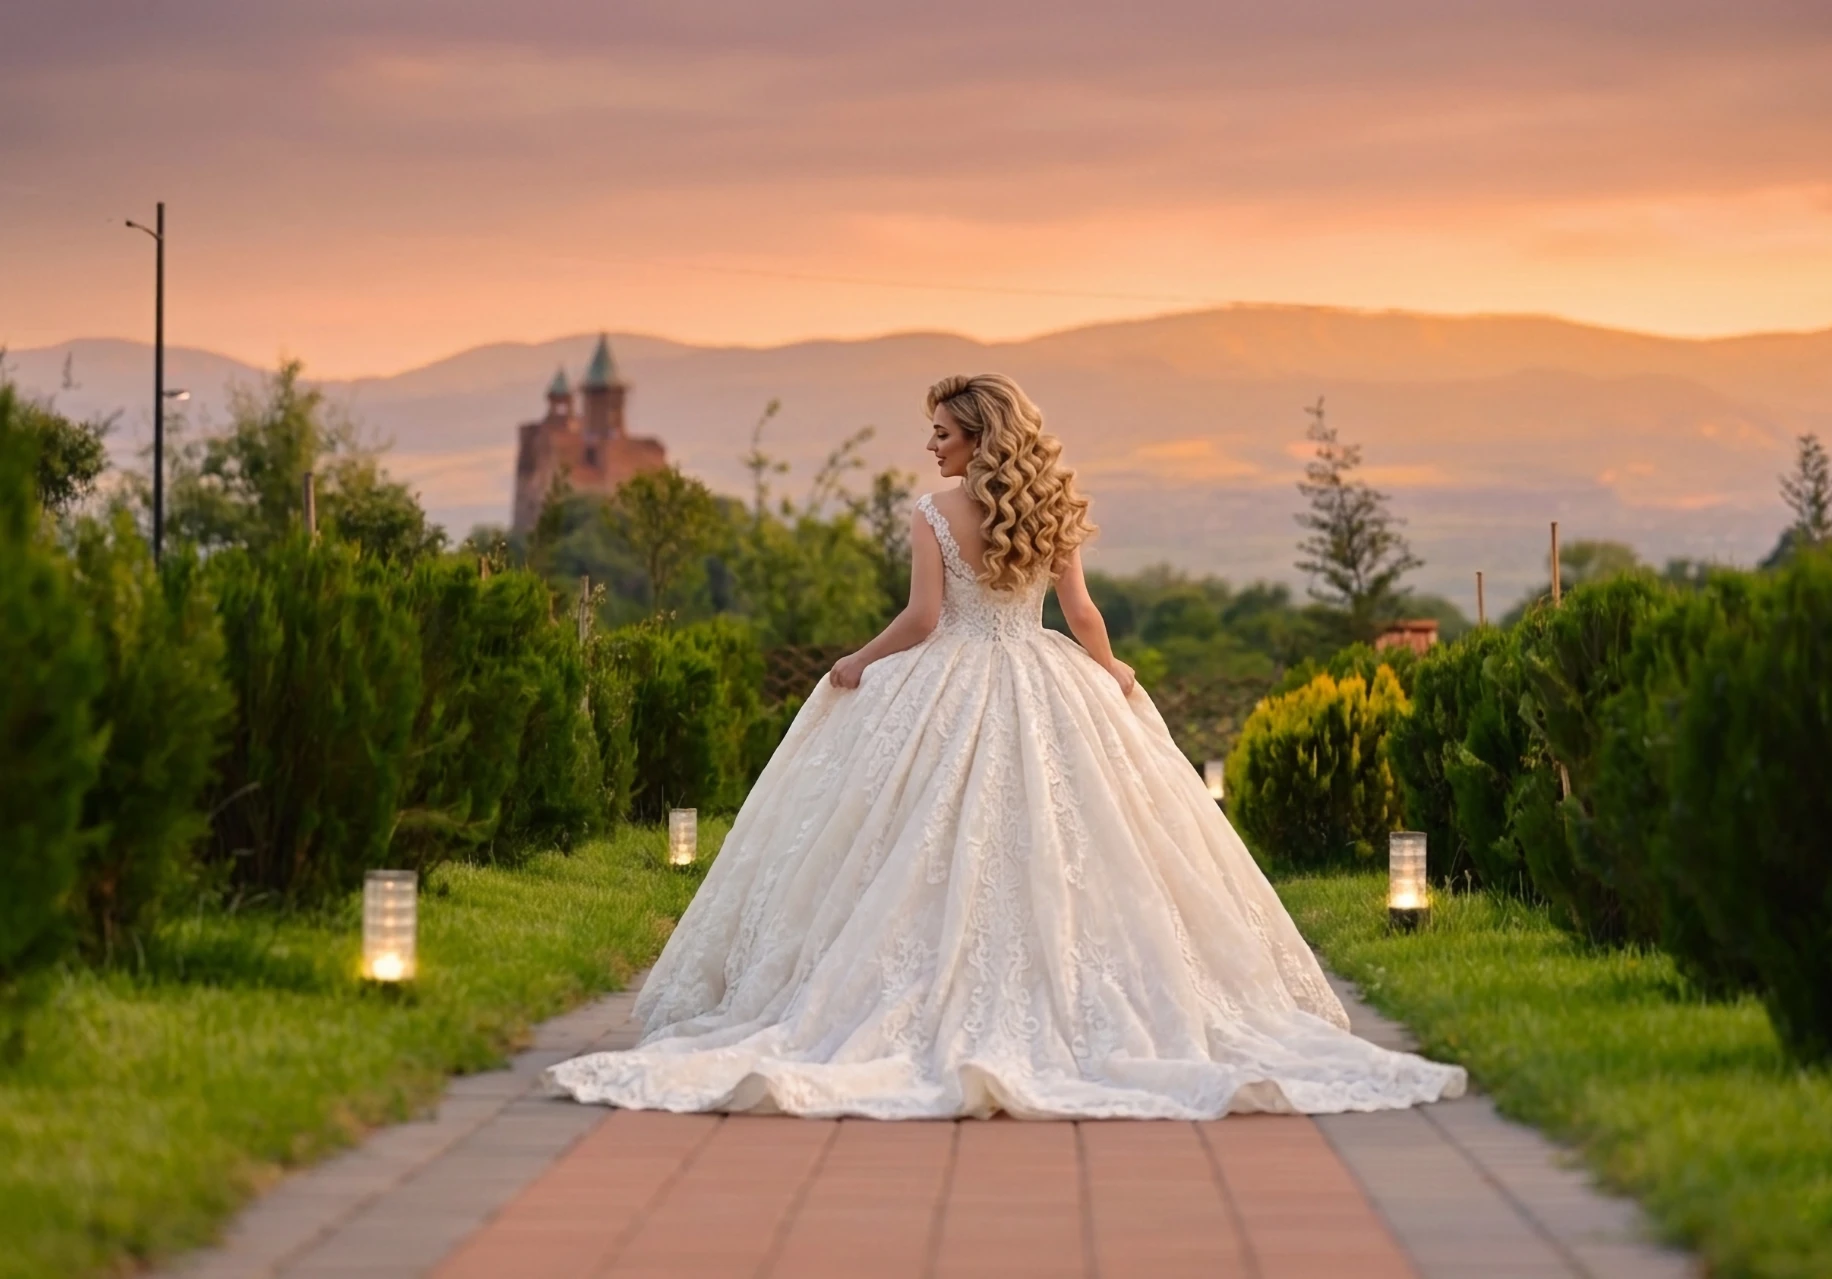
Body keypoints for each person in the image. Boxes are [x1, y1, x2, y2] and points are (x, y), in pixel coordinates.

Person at [545, 373, 1466, 1119]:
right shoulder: (1049, 505)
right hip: (1041, 670)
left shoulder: (933, 512)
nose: (932, 443)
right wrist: (1112, 672)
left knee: (922, 837)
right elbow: (1081, 612)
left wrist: (855, 661)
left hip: (949, 678)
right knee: (1065, 840)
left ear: (979, 435)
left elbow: (923, 619)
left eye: (943, 430)